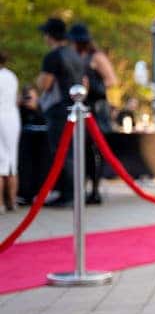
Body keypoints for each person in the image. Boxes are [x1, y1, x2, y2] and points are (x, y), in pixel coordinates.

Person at [36, 18, 84, 207]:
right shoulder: (75, 55)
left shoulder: (53, 57)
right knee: (72, 151)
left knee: (61, 151)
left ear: (49, 36)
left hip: (58, 110)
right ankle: (74, 191)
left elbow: (45, 84)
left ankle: (67, 193)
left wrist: (38, 82)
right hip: (75, 108)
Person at [69, 23, 117, 205]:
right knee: (82, 149)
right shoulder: (76, 57)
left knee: (94, 149)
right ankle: (81, 187)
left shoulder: (96, 57)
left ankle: (95, 190)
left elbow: (111, 80)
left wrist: (92, 85)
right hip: (82, 106)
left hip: (95, 108)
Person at [0, 52, 19, 213]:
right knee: (12, 161)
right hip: (12, 118)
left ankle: (0, 203)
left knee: (1, 163)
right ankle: (12, 201)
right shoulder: (11, 76)